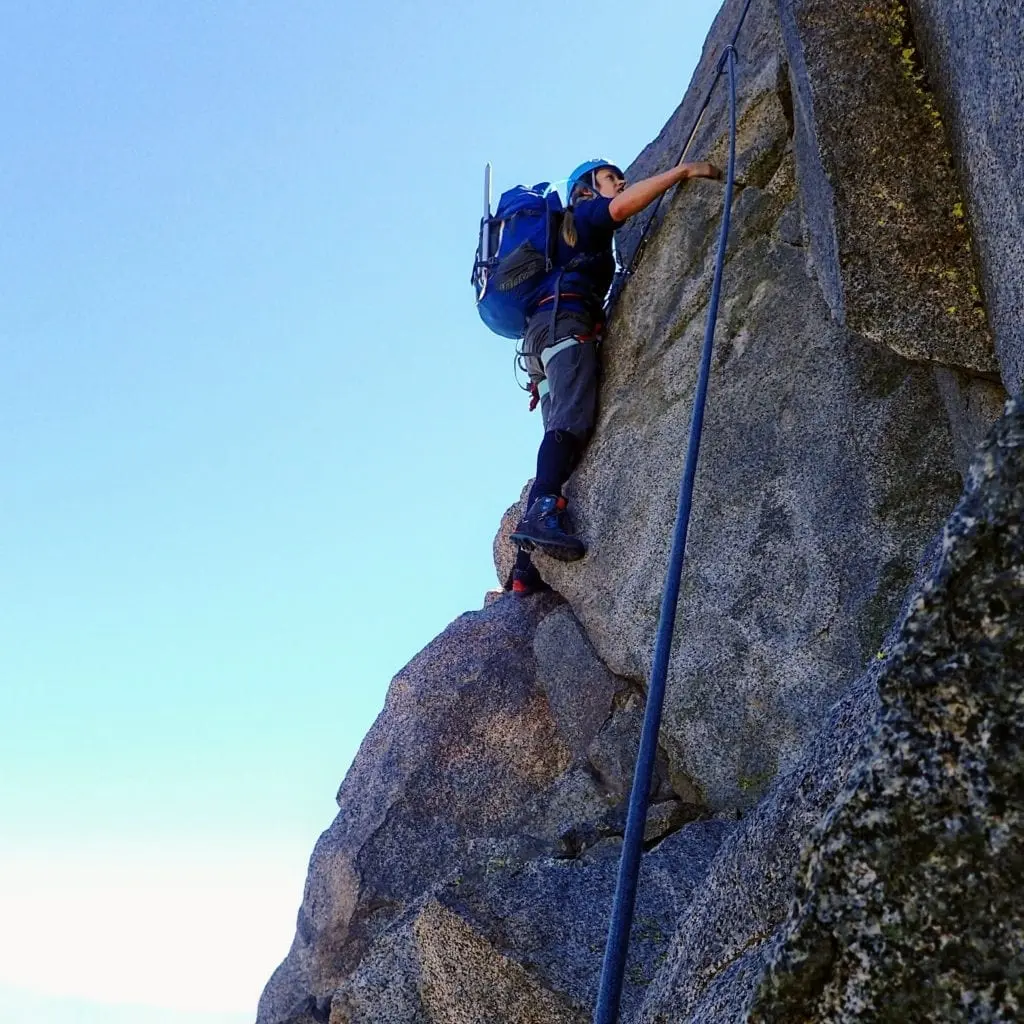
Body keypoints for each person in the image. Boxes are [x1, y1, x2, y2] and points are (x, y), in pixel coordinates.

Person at [509, 157, 722, 594]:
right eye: (611, 178)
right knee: (570, 424)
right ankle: (542, 512)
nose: (621, 182)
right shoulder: (584, 214)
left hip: (543, 336)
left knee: (559, 434)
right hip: (563, 325)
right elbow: (621, 209)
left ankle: (524, 571)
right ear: (586, 188)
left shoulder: (565, 238)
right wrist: (681, 173)